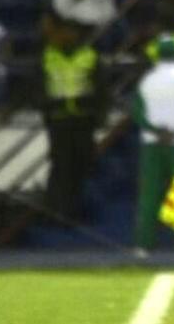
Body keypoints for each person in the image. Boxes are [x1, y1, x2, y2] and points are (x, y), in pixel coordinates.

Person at [132, 37, 174, 252]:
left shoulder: (147, 81)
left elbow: (137, 112)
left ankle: (144, 244)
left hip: (152, 144)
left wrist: (154, 130)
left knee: (150, 194)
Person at [42, 16, 101, 217]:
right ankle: (57, 211)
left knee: (81, 164)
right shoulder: (48, 56)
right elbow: (39, 87)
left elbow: (101, 87)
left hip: (83, 120)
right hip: (59, 120)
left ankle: (75, 209)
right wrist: (46, 113)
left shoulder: (89, 55)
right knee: (61, 166)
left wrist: (98, 117)